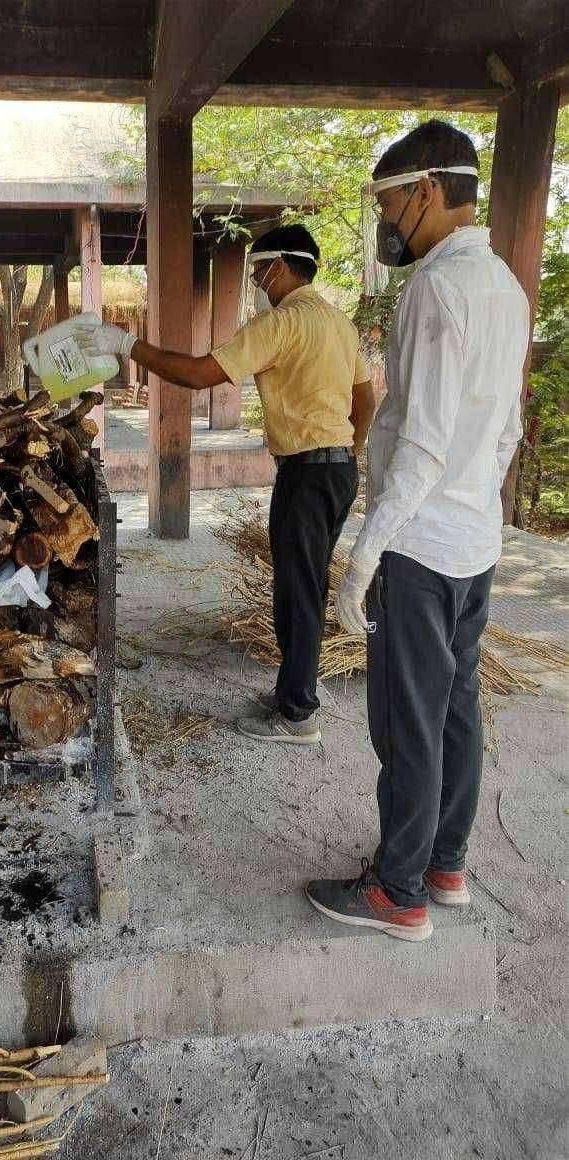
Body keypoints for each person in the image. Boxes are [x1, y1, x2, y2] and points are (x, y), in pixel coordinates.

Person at [305, 120, 529, 942]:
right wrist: (485, 511)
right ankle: (445, 863)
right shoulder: (505, 286)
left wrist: (366, 556)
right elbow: (506, 429)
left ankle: (397, 892)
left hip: (422, 546)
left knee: (407, 717)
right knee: (456, 709)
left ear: (427, 191)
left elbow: (424, 439)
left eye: (390, 201)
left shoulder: (437, 288)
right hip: (474, 544)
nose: (387, 219)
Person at [75, 224, 375, 745]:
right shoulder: (338, 324)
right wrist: (351, 450)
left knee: (300, 591)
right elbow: (365, 400)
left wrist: (128, 344)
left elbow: (195, 374)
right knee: (305, 583)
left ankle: (299, 715)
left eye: (260, 271)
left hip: (307, 473)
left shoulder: (280, 324)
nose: (258, 280)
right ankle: (291, 692)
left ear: (280, 266)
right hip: (335, 470)